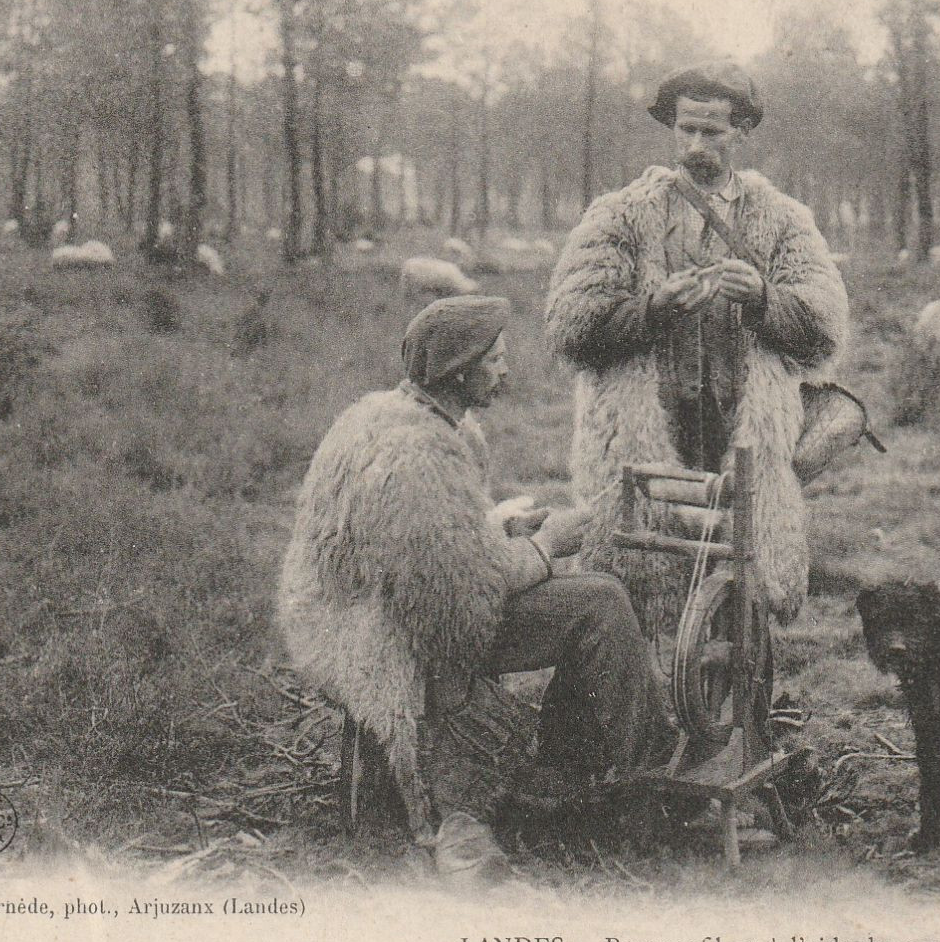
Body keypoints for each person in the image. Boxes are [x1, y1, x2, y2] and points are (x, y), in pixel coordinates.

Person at [276, 295, 674, 881]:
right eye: (495, 360)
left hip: (355, 614)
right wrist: (546, 546)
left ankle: (563, 765)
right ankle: (637, 777)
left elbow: (429, 547)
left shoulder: (390, 416)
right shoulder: (419, 454)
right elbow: (460, 599)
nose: (506, 371)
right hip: (389, 638)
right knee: (601, 601)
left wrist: (502, 528)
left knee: (588, 597)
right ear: (459, 370)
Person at [545, 61, 850, 635]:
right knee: (637, 576)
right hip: (649, 430)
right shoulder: (621, 214)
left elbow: (824, 330)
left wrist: (764, 298)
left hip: (742, 428)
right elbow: (570, 325)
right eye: (686, 128)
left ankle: (744, 704)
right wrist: (651, 309)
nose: (696, 144)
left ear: (743, 132)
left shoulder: (782, 221)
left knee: (744, 574)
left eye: (712, 131)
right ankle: (651, 703)